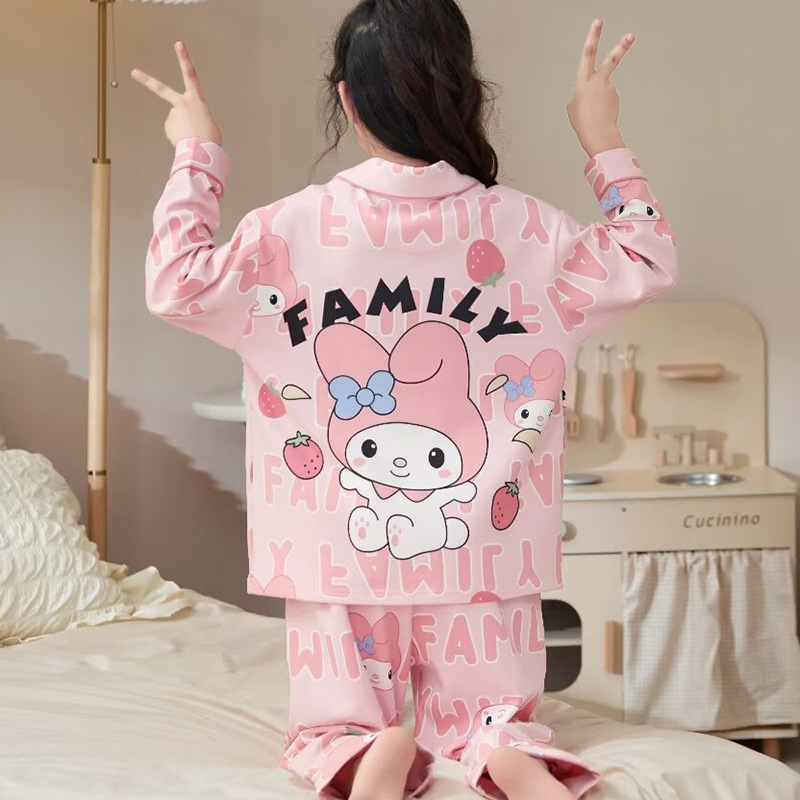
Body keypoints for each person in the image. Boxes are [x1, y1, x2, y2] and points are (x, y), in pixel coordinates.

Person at [133, 2, 676, 797]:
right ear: (465, 92)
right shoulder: (532, 231)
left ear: (347, 101)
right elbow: (647, 256)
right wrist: (602, 138)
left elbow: (174, 282)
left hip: (337, 555)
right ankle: (502, 748)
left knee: (331, 725)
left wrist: (196, 155)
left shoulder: (287, 230)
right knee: (495, 710)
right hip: (482, 553)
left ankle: (363, 750)